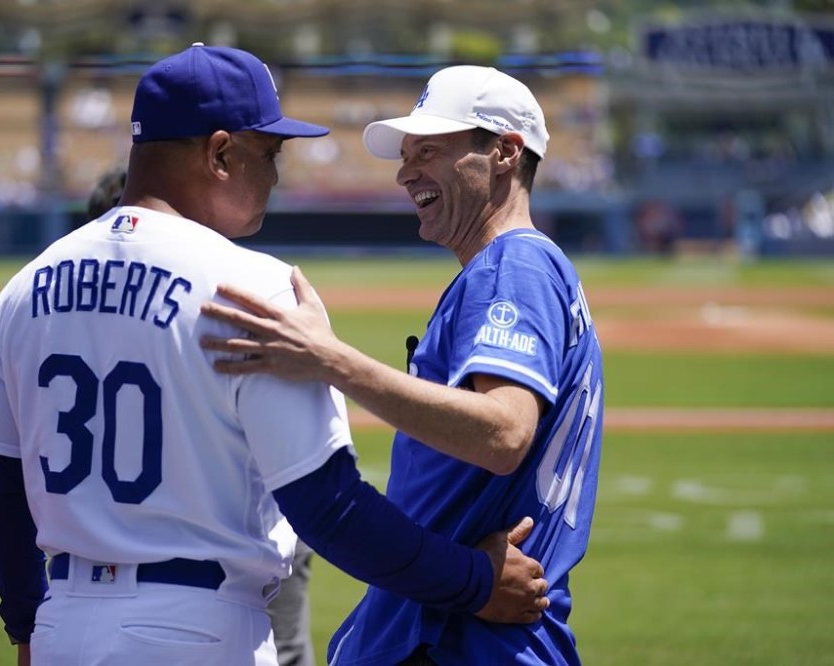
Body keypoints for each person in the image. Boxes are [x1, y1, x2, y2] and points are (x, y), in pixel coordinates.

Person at [0, 45, 549, 666]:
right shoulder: (251, 291)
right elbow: (331, 509)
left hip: (63, 624)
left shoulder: (25, 288)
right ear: (220, 153)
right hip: (197, 630)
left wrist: (29, 629)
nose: (276, 175)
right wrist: (475, 580)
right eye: (269, 154)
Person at [200, 64, 604, 665]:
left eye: (430, 151)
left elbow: (504, 432)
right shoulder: (517, 268)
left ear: (505, 152)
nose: (405, 171)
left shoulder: (510, 267)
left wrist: (330, 360)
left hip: (460, 640)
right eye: (406, 153)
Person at [83, 162, 318, 666]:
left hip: (84, 600)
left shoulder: (50, 308)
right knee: (289, 647)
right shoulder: (236, 295)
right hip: (228, 576)